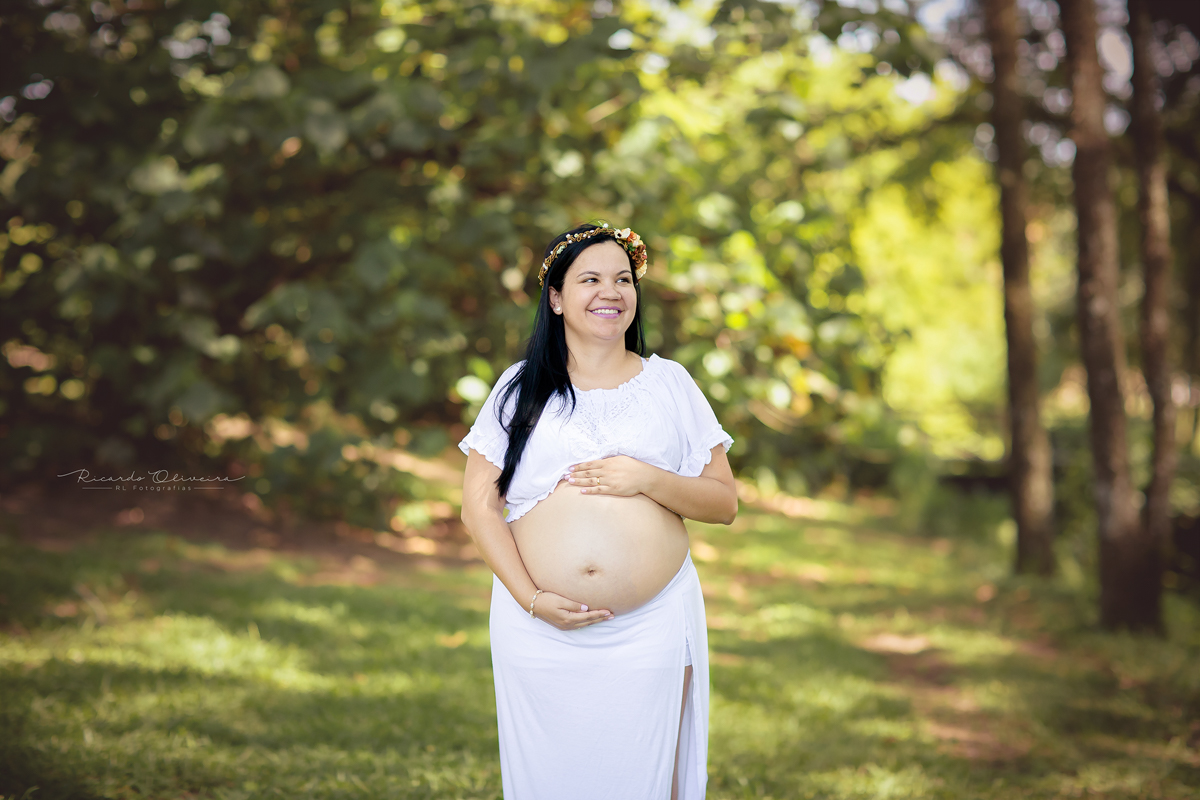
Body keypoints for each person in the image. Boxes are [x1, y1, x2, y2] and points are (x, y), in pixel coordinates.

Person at [458, 222, 738, 800]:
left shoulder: (669, 384)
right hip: (538, 629)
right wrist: (532, 602)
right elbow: (479, 508)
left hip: (650, 625)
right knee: (548, 781)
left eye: (622, 279)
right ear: (556, 297)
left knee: (640, 780)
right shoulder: (519, 387)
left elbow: (723, 501)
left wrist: (649, 478)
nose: (611, 292)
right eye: (590, 279)